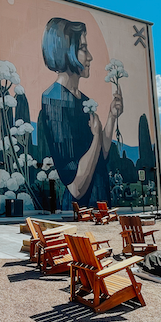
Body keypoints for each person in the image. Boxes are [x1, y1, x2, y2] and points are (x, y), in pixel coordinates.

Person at [37, 17, 123, 208]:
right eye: (83, 48)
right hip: (81, 211)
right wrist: (95, 138)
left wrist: (112, 116)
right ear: (65, 51)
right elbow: (76, 186)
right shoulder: (54, 100)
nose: (90, 56)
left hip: (99, 204)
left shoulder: (83, 100)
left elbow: (102, 154)